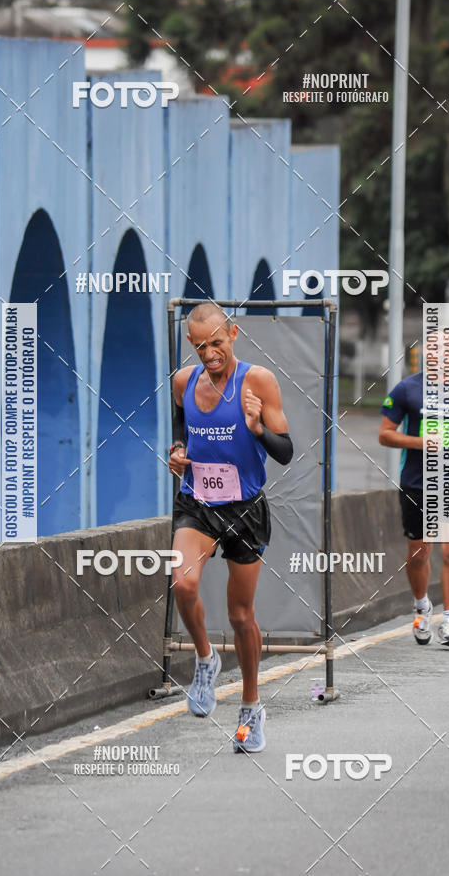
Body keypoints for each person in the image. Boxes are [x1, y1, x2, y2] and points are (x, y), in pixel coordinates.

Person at [168, 302, 293, 752]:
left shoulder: (258, 381)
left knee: (241, 616)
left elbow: (285, 451)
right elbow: (180, 421)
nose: (209, 354)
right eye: (200, 346)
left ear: (234, 334)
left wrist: (257, 428)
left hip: (244, 507)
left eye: (217, 343)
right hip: (197, 501)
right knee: (183, 584)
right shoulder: (183, 381)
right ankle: (205, 659)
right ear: (190, 344)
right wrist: (178, 449)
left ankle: (250, 709)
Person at [378, 333, 449, 648]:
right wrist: (423, 443)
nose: (439, 354)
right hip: (415, 481)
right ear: (424, 351)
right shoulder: (407, 389)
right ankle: (422, 605)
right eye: (433, 348)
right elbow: (385, 435)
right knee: (421, 553)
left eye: (447, 348)